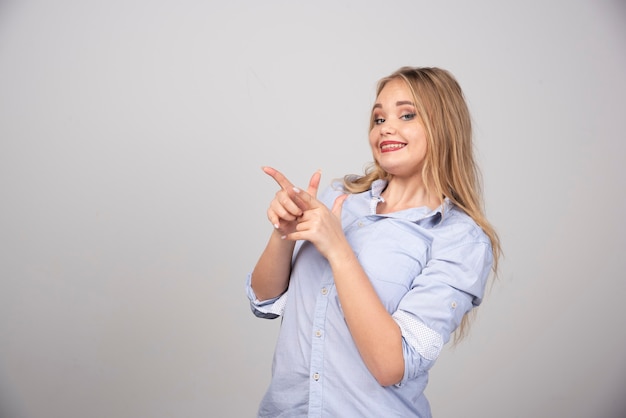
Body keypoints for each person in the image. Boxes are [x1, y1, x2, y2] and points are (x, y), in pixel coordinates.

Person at [245, 66, 501, 417]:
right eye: (378, 119)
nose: (386, 128)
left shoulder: (460, 240)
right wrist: (283, 233)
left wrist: (338, 250)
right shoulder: (341, 200)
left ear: (444, 127)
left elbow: (389, 366)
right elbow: (264, 300)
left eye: (407, 115)